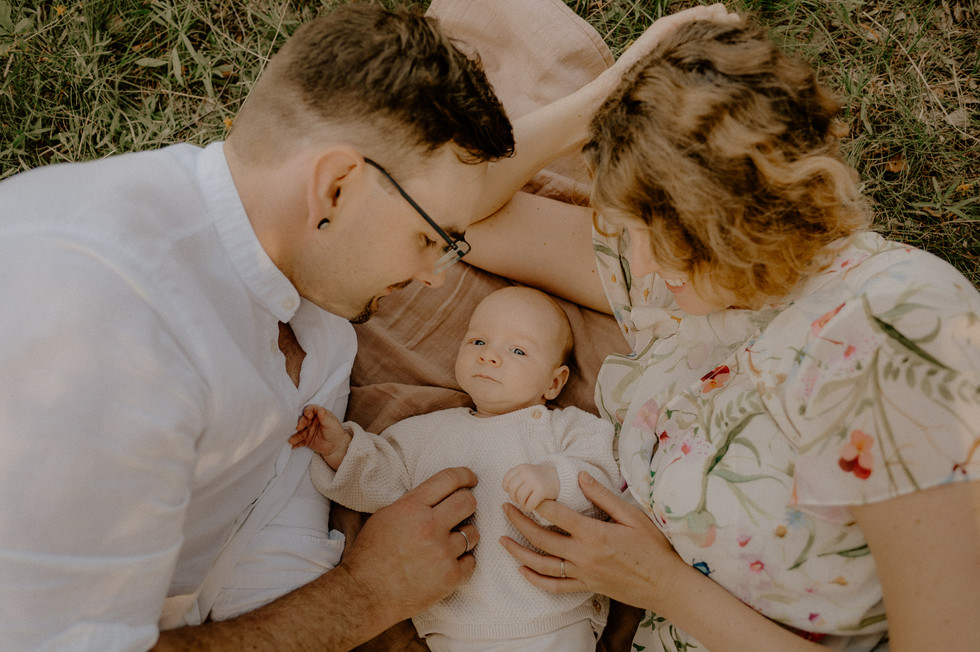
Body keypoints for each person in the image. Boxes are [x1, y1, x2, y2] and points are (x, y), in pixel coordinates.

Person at [0, 1, 735, 649]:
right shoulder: (100, 332)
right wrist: (366, 596)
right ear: (336, 187)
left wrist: (612, 90)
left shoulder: (314, 319)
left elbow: (262, 511)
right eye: (431, 239)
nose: (437, 275)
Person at [464, 16, 980, 652]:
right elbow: (450, 212)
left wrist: (664, 586)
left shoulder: (895, 330)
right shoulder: (679, 275)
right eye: (632, 231)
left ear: (741, 219)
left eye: (661, 238)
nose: (642, 263)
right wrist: (609, 96)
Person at [289, 286, 620, 652]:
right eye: (478, 342)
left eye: (517, 350)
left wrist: (556, 478)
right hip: (455, 629)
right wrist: (341, 449)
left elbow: (602, 477)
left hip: (554, 621)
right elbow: (382, 482)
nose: (490, 357)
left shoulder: (565, 429)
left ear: (554, 382)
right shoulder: (427, 432)